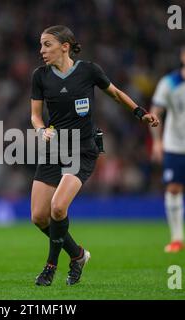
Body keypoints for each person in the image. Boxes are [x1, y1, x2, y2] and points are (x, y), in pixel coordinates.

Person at [30, 25, 159, 286]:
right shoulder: (40, 76)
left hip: (82, 149)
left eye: (47, 44)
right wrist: (41, 129)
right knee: (38, 216)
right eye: (41, 45)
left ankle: (50, 266)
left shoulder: (89, 70)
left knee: (57, 207)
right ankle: (77, 255)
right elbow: (34, 115)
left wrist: (140, 112)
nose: (42, 50)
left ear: (65, 46)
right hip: (54, 148)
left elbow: (115, 93)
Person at [150, 46, 185, 253]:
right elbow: (155, 113)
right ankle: (177, 238)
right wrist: (157, 142)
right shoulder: (169, 83)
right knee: (173, 188)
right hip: (175, 145)